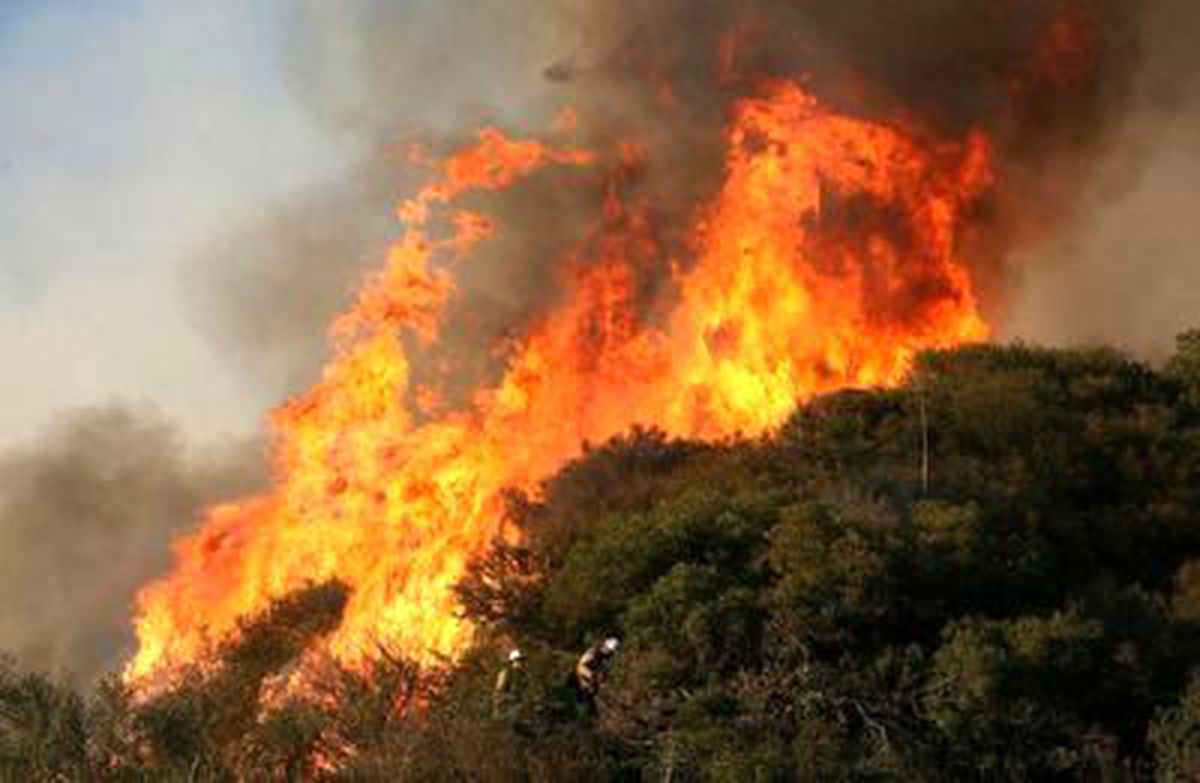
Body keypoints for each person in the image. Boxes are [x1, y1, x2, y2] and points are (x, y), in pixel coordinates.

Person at [574, 636, 620, 703]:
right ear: (606, 648)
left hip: (589, 691)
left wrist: (600, 683)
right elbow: (580, 667)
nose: (611, 655)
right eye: (611, 652)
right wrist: (592, 676)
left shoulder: (604, 661)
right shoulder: (593, 653)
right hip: (578, 685)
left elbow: (602, 676)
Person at [492, 648, 526, 719]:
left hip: (517, 708)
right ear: (513, 662)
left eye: (522, 660)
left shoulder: (522, 675)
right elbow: (499, 693)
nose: (521, 663)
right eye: (518, 660)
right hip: (506, 709)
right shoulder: (506, 673)